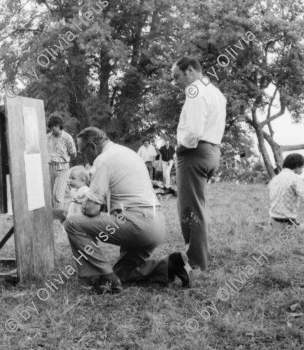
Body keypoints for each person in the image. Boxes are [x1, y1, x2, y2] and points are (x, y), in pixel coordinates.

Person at [61, 127, 190, 294]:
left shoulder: (104, 160)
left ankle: (104, 278)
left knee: (72, 223)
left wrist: (85, 202)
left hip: (138, 224)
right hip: (156, 224)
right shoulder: (129, 153)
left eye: (83, 151)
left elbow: (92, 210)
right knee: (122, 272)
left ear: (92, 146)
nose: (84, 157)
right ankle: (170, 265)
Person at [172, 56, 226, 271]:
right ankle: (199, 255)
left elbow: (193, 131)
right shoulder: (216, 92)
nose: (176, 82)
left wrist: (180, 147)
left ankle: (196, 263)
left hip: (195, 152)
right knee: (196, 206)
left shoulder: (194, 90)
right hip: (213, 151)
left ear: (190, 71)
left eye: (177, 77)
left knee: (189, 209)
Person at [268, 153, 304, 229]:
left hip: (272, 222)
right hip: (287, 224)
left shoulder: (275, 179)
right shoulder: (295, 178)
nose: (302, 170)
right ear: (297, 166)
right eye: (302, 167)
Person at [47, 115, 77, 210]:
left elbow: (73, 153)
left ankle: (58, 219)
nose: (53, 128)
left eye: (55, 126)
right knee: (51, 195)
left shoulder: (67, 138)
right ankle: (52, 218)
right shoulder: (47, 137)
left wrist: (65, 160)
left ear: (59, 125)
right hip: (50, 167)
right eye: (51, 126)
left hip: (62, 168)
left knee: (57, 195)